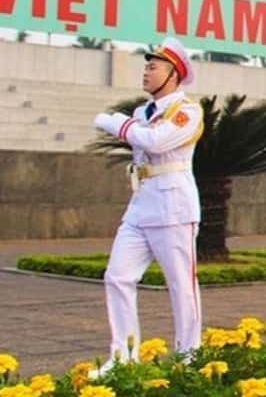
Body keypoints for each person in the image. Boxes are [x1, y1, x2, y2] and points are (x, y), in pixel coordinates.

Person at [91, 38, 204, 376]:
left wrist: (115, 122)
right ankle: (123, 356)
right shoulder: (143, 113)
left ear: (173, 74)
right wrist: (130, 126)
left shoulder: (187, 111)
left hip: (174, 207)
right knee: (118, 276)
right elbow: (143, 138)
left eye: (153, 67)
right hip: (141, 203)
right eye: (146, 65)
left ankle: (189, 356)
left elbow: (155, 141)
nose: (146, 71)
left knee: (181, 286)